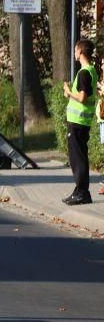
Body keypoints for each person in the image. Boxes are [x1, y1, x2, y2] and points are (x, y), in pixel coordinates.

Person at [61, 39, 96, 206]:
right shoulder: (91, 71)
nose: (74, 53)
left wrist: (68, 92)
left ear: (80, 52)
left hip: (77, 122)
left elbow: (82, 98)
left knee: (78, 158)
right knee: (80, 156)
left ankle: (82, 193)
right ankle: (80, 191)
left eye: (75, 50)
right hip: (83, 121)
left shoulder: (83, 73)